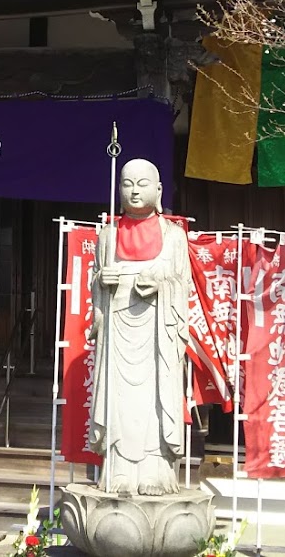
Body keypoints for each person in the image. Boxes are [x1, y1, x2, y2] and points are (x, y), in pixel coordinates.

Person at [88, 158, 192, 496]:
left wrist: (161, 284)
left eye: (142, 183)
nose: (134, 190)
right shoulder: (108, 234)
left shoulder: (174, 236)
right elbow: (96, 284)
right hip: (118, 330)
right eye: (127, 183)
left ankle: (155, 470)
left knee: (154, 399)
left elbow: (183, 284)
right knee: (119, 399)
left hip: (157, 333)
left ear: (159, 190)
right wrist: (102, 280)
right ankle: (118, 471)